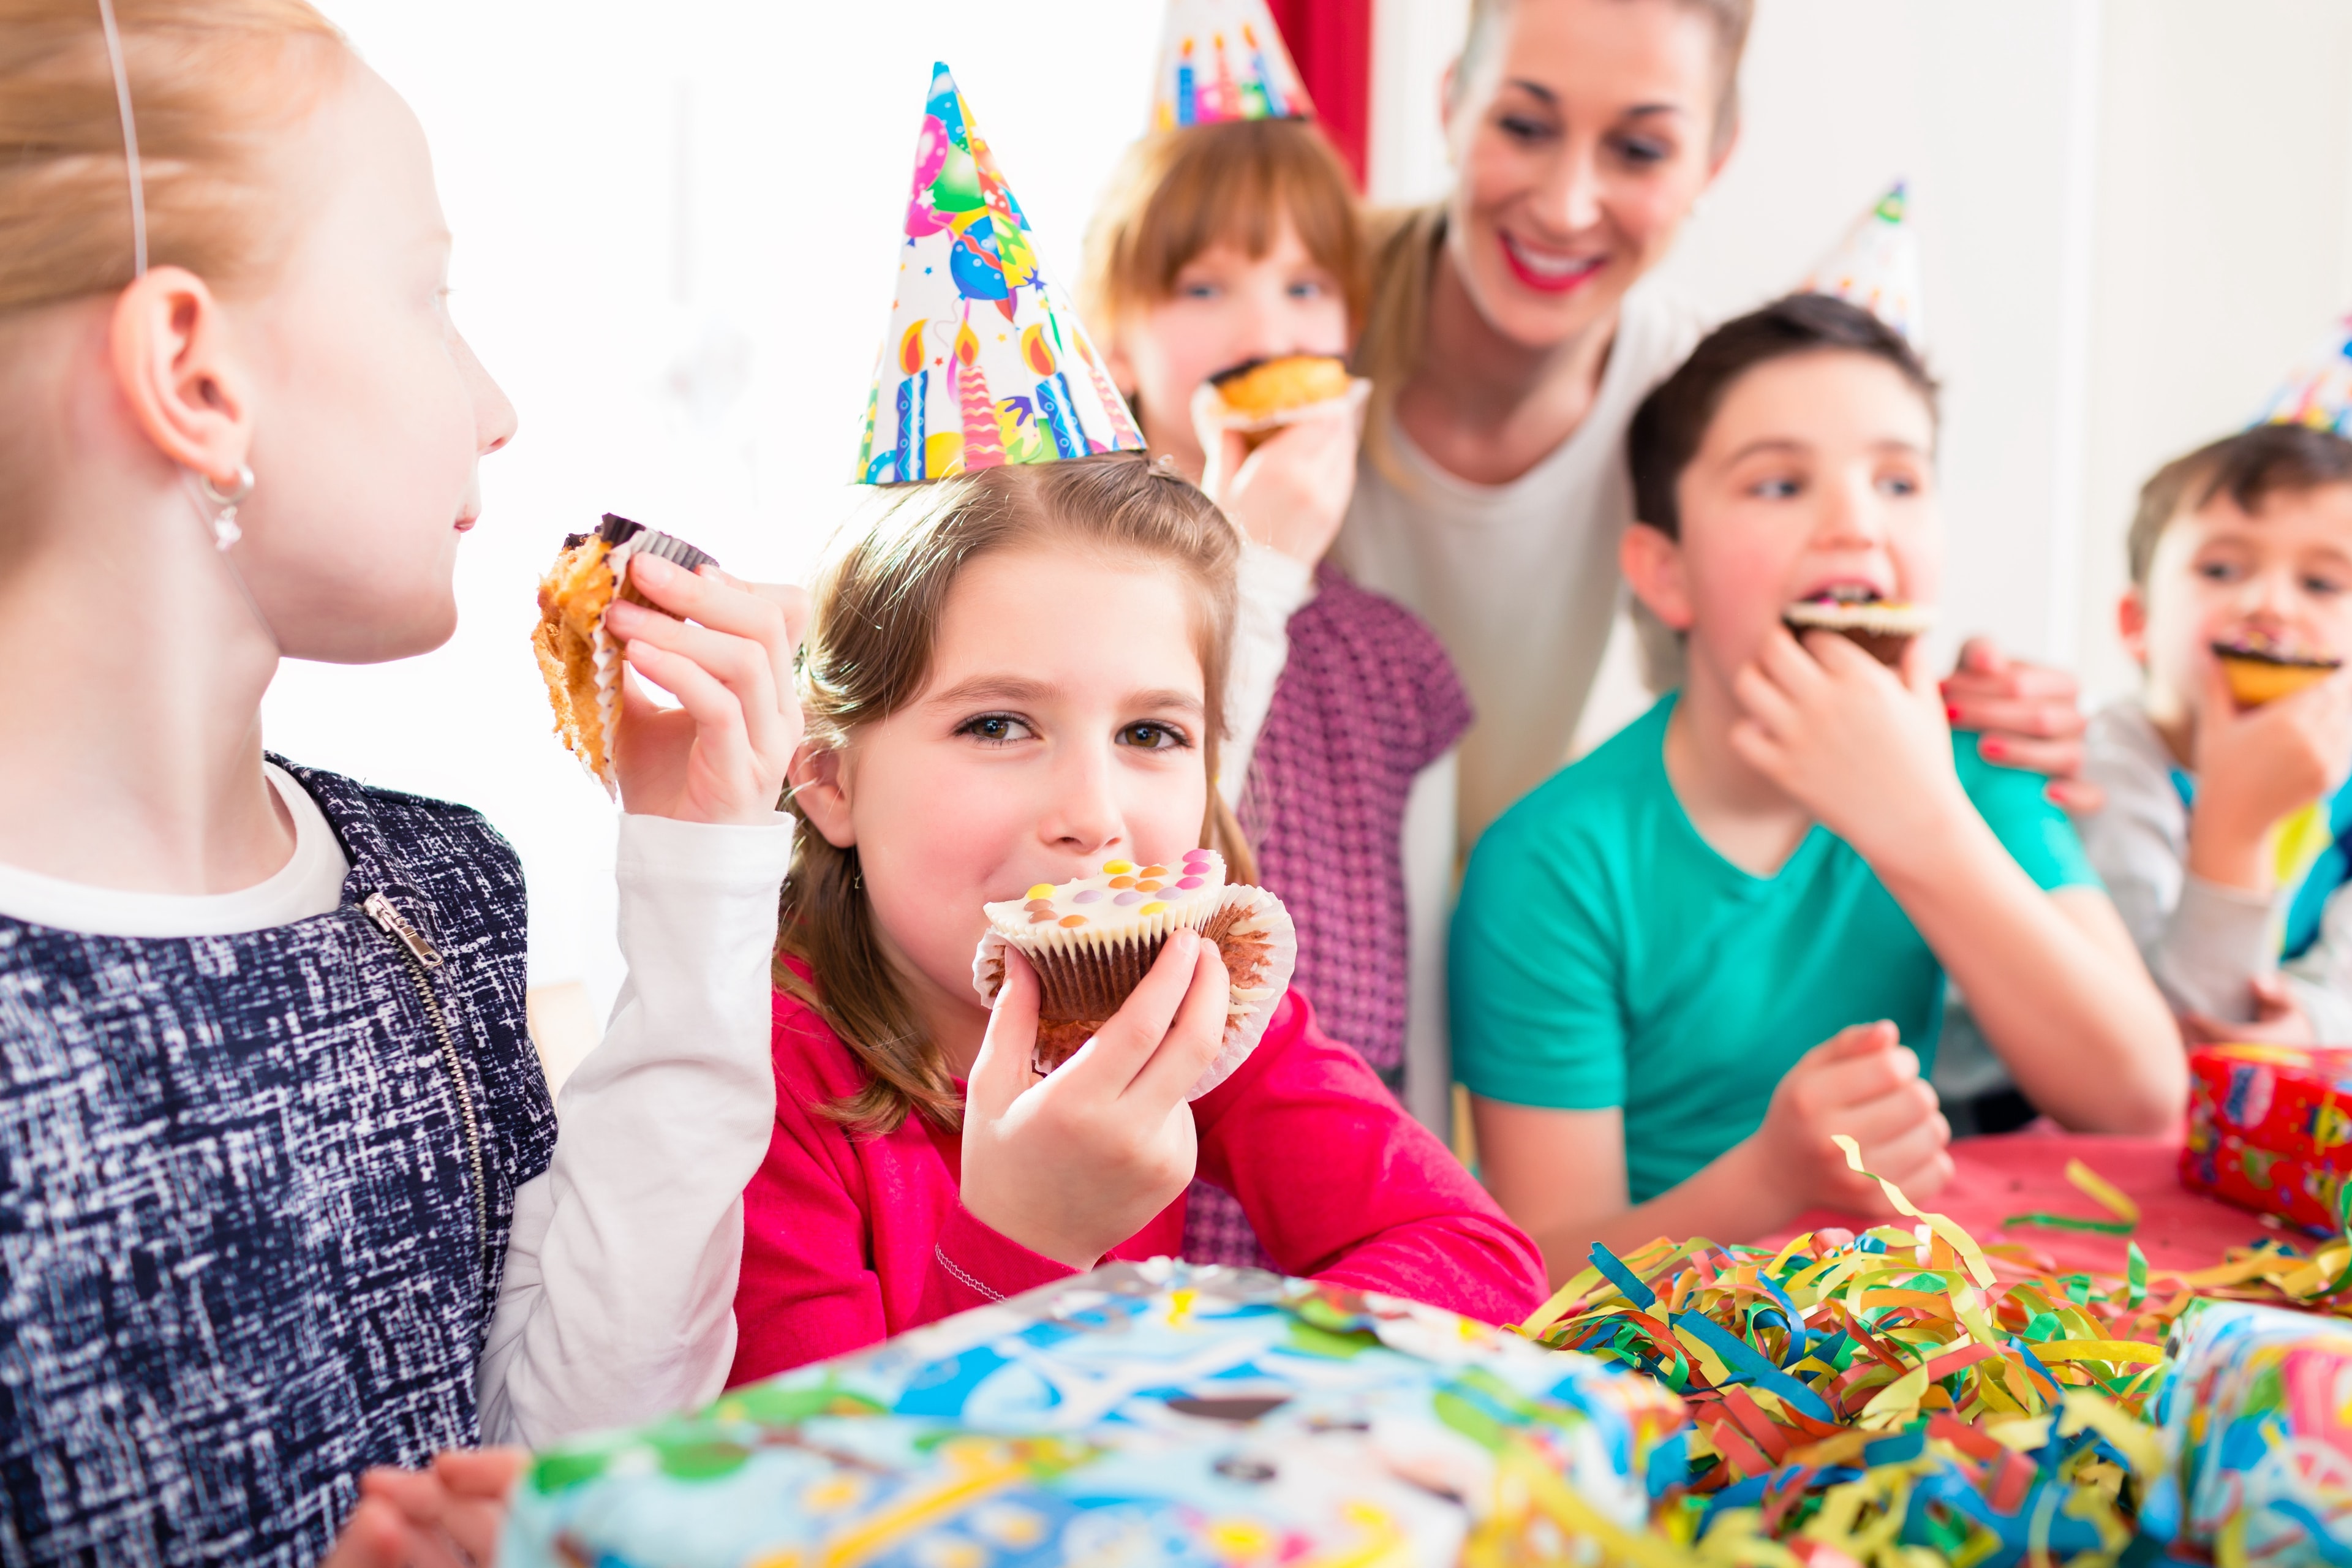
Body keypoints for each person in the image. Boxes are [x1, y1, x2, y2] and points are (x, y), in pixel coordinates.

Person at [0, 3, 803, 1559]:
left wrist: (704, 877)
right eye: (429, 296)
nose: (494, 405)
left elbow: (559, 1446)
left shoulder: (434, 885)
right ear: (194, 372)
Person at [1220, 0, 2097, 870]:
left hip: (1532, 924)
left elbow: (1771, 681)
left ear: (1715, 159)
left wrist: (1981, 718)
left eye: (1639, 150)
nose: (1565, 207)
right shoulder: (1277, 312)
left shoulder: (1715, 411)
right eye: (1524, 125)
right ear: (1451, 104)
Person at [729, 455, 1545, 1381]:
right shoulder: (758, 1088)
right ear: (830, 781)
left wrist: (1197, 1389)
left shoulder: (1184, 1000)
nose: (1094, 815)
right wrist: (1022, 1241)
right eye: (998, 725)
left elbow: (1483, 1267)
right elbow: (833, 1498)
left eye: (1149, 735)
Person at [1449, 296, 2184, 1284]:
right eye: (1781, 483)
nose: (1855, 523)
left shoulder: (1977, 765)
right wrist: (1770, 1180)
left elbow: (2139, 1097)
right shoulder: (1552, 863)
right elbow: (1537, 1264)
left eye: (1897, 479)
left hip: (1919, 1312)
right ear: (1666, 574)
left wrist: (1920, 821)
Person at [1080, 39, 1468, 1268]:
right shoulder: (1061, 622)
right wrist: (1259, 564)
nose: (1264, 326)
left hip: (1318, 1238)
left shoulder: (1395, 665)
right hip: (1116, 1234)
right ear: (1121, 345)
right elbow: (1142, 887)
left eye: (1308, 286)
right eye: (1205, 287)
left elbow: (1420, 1027)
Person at [2078, 425, 2352, 1043]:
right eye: (2222, 569)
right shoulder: (2100, 771)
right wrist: (2235, 826)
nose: (2269, 604)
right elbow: (2161, 1043)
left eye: (2323, 584)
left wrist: (2309, 1023)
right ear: (2138, 623)